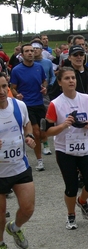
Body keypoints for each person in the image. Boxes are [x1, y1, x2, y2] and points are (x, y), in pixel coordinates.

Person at [44, 67, 88, 230]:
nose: (71, 81)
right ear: (60, 82)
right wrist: (63, 125)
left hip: (85, 147)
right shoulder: (55, 104)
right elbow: (47, 132)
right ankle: (71, 214)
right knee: (71, 186)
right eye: (67, 78)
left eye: (73, 78)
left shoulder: (86, 99)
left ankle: (82, 201)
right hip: (65, 150)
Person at [0, 72, 36, 249]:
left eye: (4, 86)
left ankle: (14, 228)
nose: (2, 91)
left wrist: (29, 136)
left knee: (28, 209)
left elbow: (27, 124)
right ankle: (0, 244)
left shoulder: (18, 105)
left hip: (18, 166)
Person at [9, 43, 48, 171]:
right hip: (27, 105)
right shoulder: (17, 70)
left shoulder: (39, 67)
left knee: (43, 133)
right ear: (22, 54)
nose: (30, 53)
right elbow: (12, 88)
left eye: (32, 50)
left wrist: (44, 88)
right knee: (35, 132)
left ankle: (39, 145)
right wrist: (17, 95)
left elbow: (44, 81)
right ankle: (40, 160)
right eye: (27, 51)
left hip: (39, 103)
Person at [31, 40, 56, 156]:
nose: (35, 50)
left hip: (45, 94)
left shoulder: (47, 62)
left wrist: (49, 86)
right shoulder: (27, 63)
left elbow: (52, 76)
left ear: (42, 50)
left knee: (44, 120)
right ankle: (38, 143)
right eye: (33, 49)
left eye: (37, 48)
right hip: (31, 96)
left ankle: (45, 143)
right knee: (33, 124)